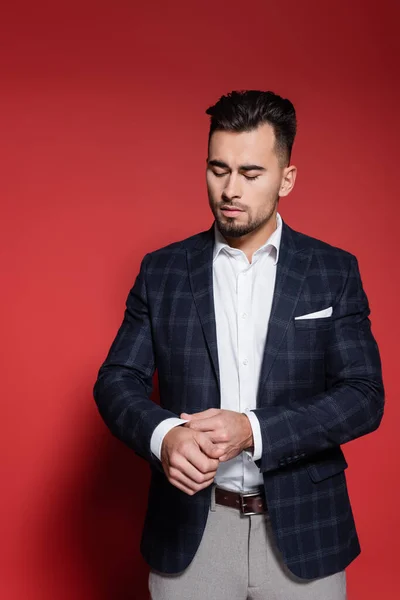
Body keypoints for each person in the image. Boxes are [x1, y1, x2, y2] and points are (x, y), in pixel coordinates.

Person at [93, 90, 384, 600]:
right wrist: (164, 437)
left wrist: (252, 429)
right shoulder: (162, 270)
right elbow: (117, 380)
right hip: (190, 532)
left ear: (286, 178)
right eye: (218, 169)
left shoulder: (333, 271)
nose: (230, 189)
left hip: (305, 533)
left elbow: (364, 395)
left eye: (251, 174)